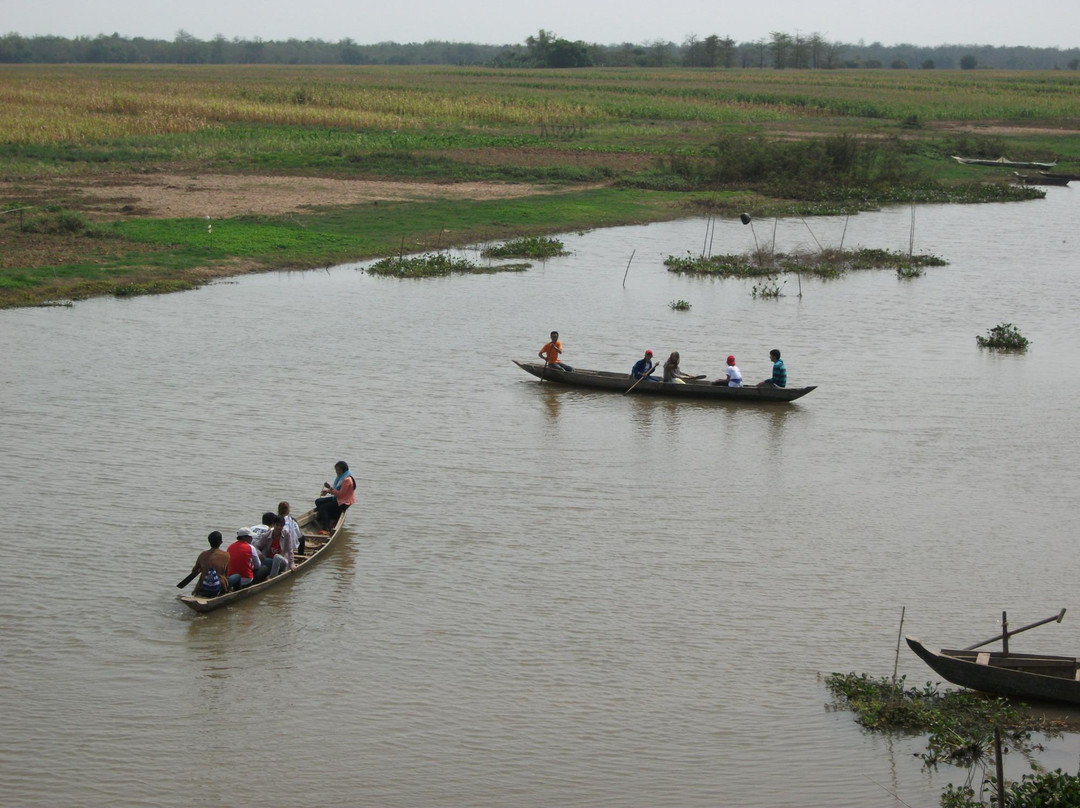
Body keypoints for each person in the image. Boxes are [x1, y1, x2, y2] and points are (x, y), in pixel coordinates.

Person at [316, 460, 356, 534]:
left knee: (323, 508)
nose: (337, 472)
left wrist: (329, 488)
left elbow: (340, 494)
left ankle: (326, 528)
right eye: (336, 470)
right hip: (338, 499)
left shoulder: (347, 480)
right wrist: (328, 491)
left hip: (344, 502)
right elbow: (337, 492)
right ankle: (331, 518)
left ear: (343, 470)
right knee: (318, 501)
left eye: (338, 470)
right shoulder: (341, 477)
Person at [190, 531, 230, 598]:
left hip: (203, 585)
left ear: (209, 542)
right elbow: (226, 573)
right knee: (236, 577)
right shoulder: (226, 555)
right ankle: (231, 592)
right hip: (220, 585)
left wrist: (203, 568)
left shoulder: (202, 554)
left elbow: (194, 571)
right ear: (221, 542)